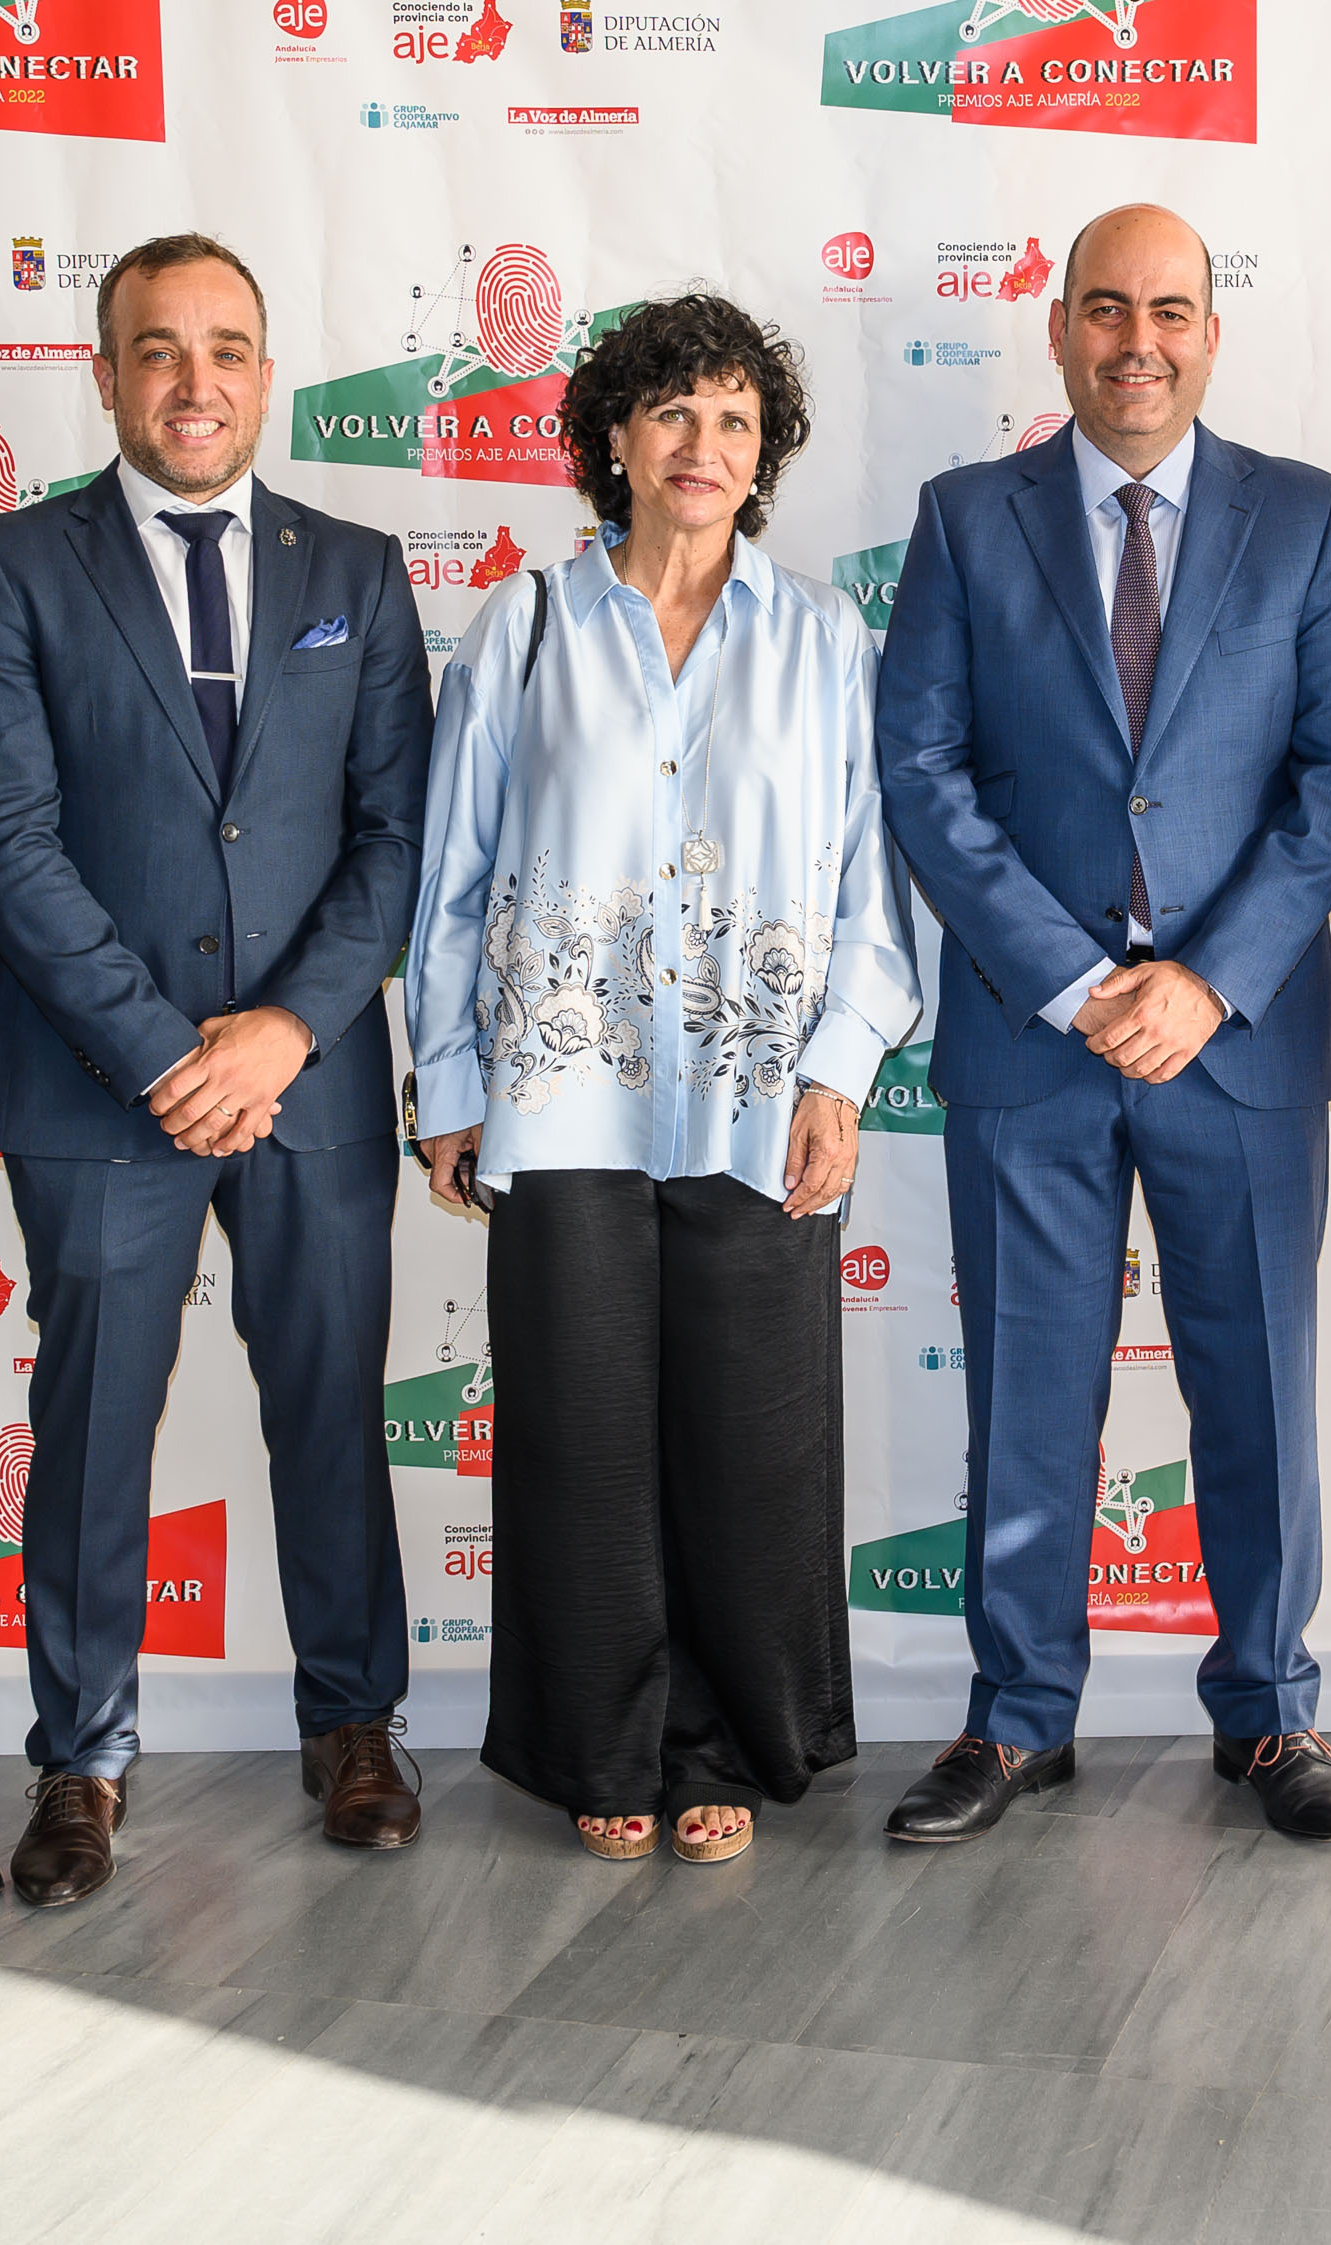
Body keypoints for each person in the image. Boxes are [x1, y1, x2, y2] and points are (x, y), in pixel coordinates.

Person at [875, 204, 1331, 1845]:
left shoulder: (1302, 516)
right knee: (1029, 1391)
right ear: (1059, 330)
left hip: (1237, 1039)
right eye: (1107, 309)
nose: (1138, 342)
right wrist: (1076, 978)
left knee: (1257, 1390)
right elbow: (922, 772)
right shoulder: (967, 519)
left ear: (1212, 332)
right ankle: (1019, 1717)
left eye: (1171, 310)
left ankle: (1271, 1709)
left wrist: (1205, 978)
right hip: (1034, 1035)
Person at [0, 234, 433, 1907]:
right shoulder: (7, 568)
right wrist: (164, 1053)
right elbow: (6, 841)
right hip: (98, 1089)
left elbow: (395, 834)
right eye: (158, 348)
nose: (194, 380)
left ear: (267, 375)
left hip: (314, 1084)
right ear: (105, 375)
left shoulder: (357, 570)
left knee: (332, 1406)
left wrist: (284, 1028)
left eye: (227, 348)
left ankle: (353, 1720)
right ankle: (81, 1755)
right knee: (89, 1426)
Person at [405, 294, 919, 1866]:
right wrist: (447, 1080)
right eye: (675, 412)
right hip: (560, 1098)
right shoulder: (524, 627)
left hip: (762, 1099)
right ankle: (601, 1748)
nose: (704, 444)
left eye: (736, 421)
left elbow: (870, 883)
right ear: (616, 438)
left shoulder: (822, 636)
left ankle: (725, 1745)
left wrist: (840, 1069)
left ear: (764, 456)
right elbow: (453, 874)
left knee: (753, 1444)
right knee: (580, 1437)